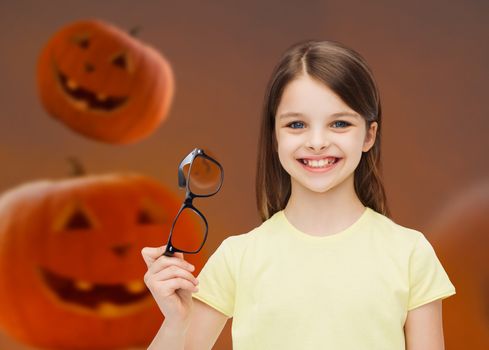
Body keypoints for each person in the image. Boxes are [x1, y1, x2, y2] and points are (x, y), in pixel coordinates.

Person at [141, 39, 456, 350]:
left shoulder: (410, 254)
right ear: (275, 135)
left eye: (339, 123)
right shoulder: (237, 258)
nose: (317, 142)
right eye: (296, 124)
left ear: (369, 135)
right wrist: (175, 322)